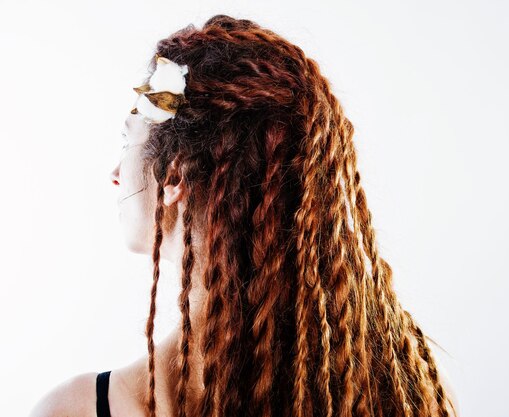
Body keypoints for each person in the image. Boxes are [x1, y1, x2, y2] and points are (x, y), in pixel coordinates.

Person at [28, 14, 459, 417]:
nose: (116, 174)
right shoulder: (400, 391)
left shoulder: (80, 409)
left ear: (174, 172)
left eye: (129, 141)